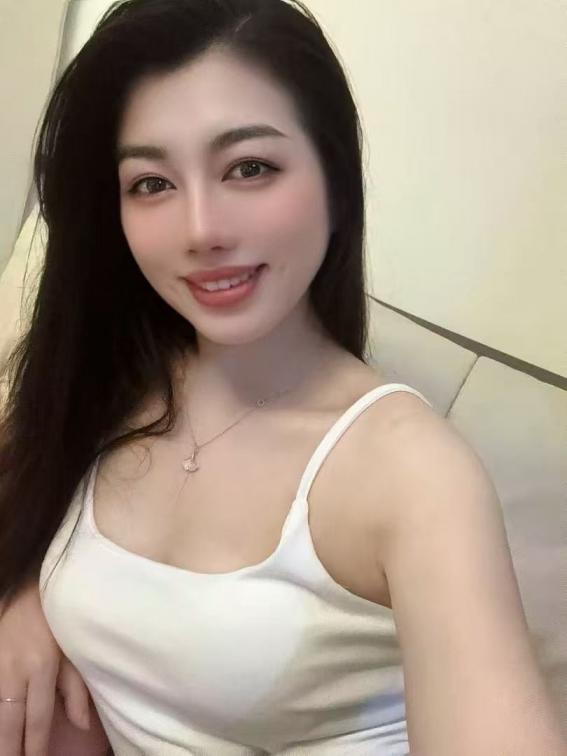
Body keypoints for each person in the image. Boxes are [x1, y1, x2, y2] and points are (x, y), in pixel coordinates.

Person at [0, 0, 565, 754]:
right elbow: (30, 492)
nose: (202, 230)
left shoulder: (413, 471)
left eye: (250, 168)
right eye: (152, 183)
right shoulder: (110, 373)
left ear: (336, 184)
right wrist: (27, 592)